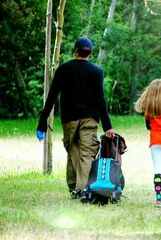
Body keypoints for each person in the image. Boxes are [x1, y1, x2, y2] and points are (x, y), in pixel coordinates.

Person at [36, 37, 115, 199]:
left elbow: (51, 97)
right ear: (90, 54)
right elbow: (101, 101)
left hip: (69, 119)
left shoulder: (63, 69)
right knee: (87, 153)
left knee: (72, 150)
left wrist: (42, 123)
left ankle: (74, 187)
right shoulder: (96, 71)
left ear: (75, 51)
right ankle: (81, 189)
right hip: (89, 119)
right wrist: (108, 126)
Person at [134, 79, 161, 207]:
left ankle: (158, 199)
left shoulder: (149, 109)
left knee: (158, 168)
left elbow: (148, 126)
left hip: (155, 142)